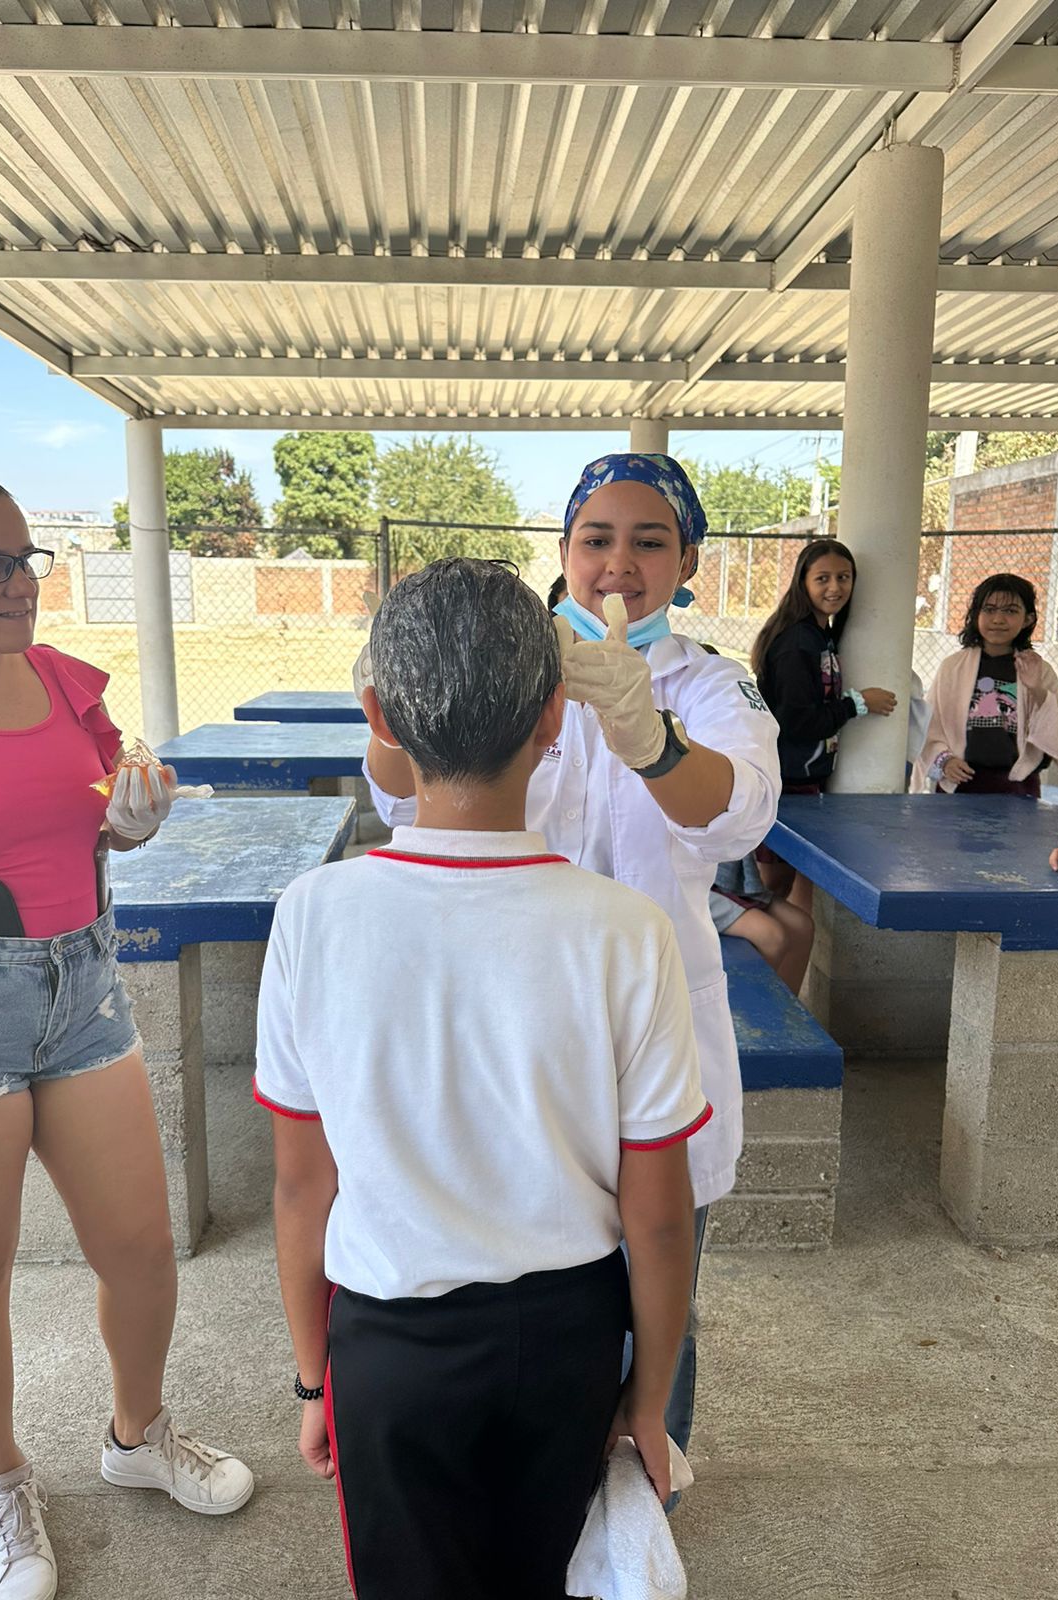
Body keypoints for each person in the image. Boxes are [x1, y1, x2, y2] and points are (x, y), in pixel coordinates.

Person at [258, 557, 707, 1600]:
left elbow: (299, 1188)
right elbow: (659, 1212)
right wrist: (648, 1395)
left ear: (379, 714)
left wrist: (315, 1375)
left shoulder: (314, 916)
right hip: (569, 1339)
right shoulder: (625, 933)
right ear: (557, 716)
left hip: (390, 1341)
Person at [363, 452, 781, 1468]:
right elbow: (397, 795)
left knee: (657, 1294)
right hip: (513, 1038)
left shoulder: (715, 684)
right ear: (564, 551)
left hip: (661, 1038)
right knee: (526, 1297)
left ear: (686, 560)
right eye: (597, 538)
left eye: (650, 541)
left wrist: (650, 737)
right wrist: (387, 698)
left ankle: (644, 1502)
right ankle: (539, 1501)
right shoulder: (512, 670)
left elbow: (738, 816)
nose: (620, 565)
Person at [0, 466, 252, 1600]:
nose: (19, 584)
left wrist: (129, 827)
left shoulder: (56, 682)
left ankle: (136, 1435)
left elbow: (86, 832)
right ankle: (1, 1479)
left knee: (139, 1243)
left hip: (83, 985)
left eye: (26, 558)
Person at [751, 538, 897, 910]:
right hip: (785, 782)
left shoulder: (821, 636)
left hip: (806, 779)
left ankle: (788, 952)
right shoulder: (796, 642)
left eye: (844, 577)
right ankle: (763, 955)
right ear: (803, 582)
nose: (835, 587)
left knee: (793, 884)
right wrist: (858, 704)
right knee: (771, 885)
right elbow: (796, 720)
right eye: (823, 578)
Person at [912, 573, 1058, 799]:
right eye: (989, 609)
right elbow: (930, 726)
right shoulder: (952, 667)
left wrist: (1037, 691)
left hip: (1018, 788)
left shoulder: (1039, 670)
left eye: (1010, 611)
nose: (998, 619)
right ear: (976, 615)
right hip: (960, 783)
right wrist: (945, 760)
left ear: (1028, 619)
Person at [708, 853, 813, 996]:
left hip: (725, 878)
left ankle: (782, 1013)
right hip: (692, 888)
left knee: (801, 926)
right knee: (771, 936)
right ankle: (745, 1013)